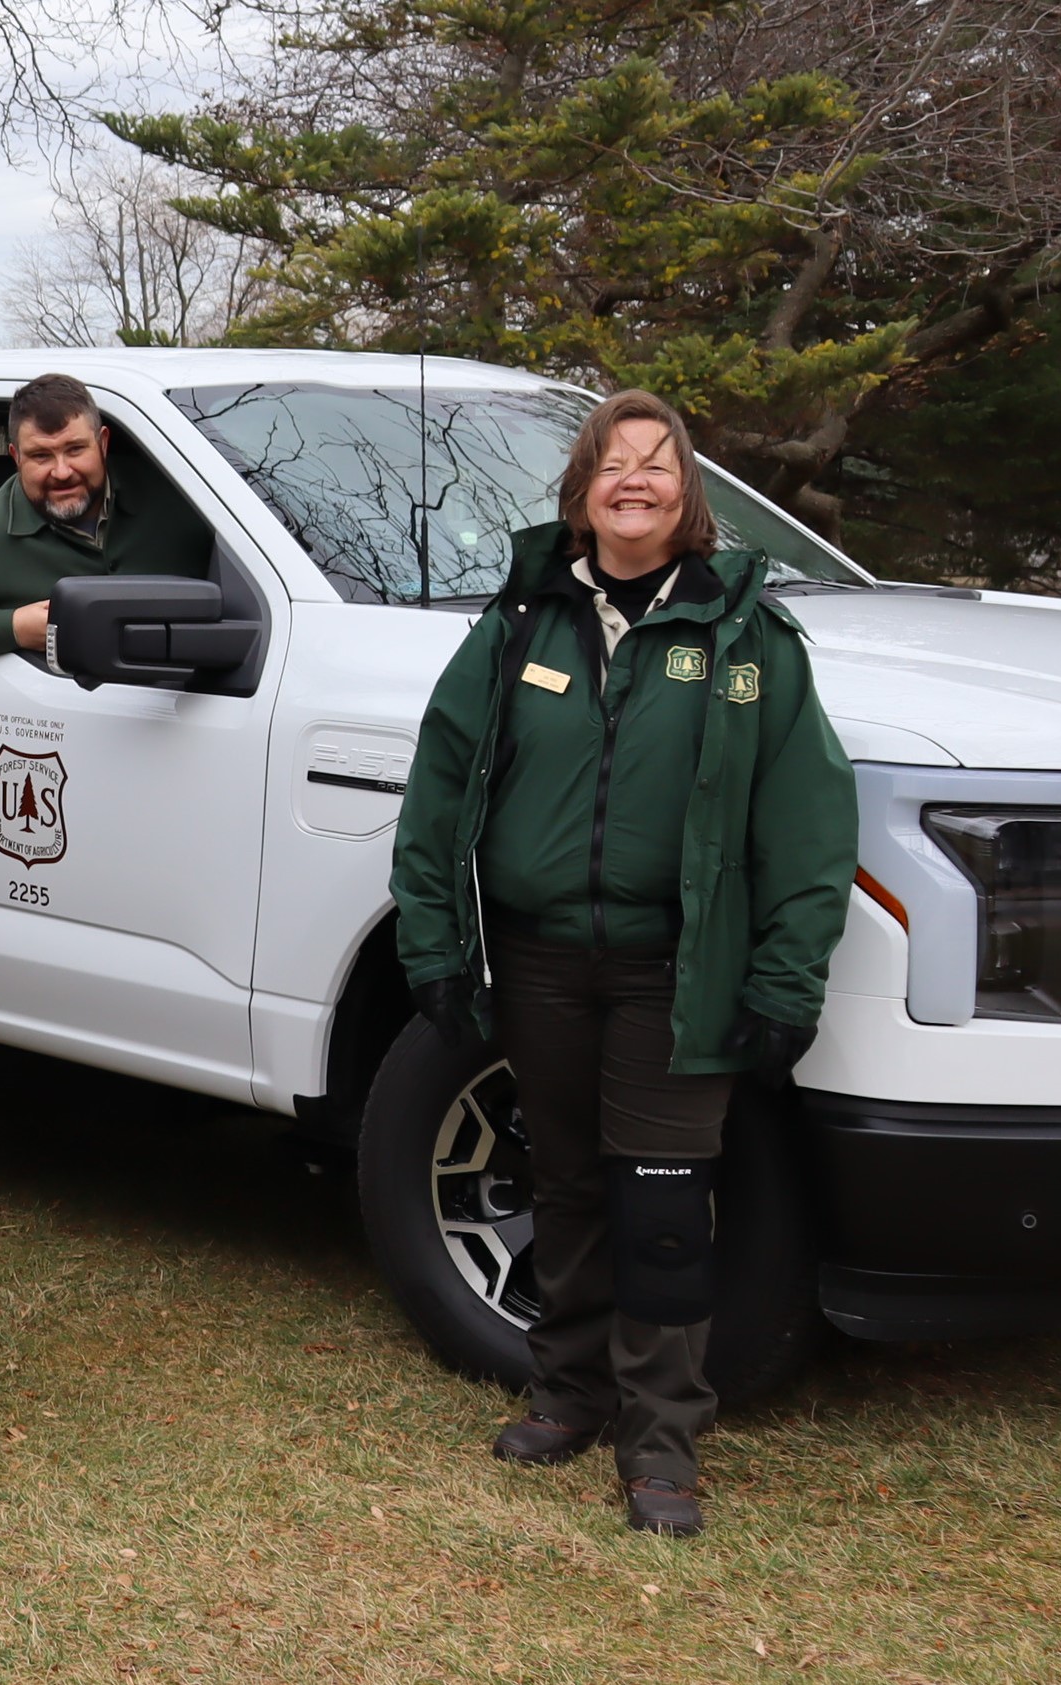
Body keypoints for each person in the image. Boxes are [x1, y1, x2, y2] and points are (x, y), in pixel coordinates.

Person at [386, 389, 855, 1539]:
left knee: (658, 1205)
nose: (632, 479)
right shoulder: (517, 624)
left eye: (655, 463)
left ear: (684, 492)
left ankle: (659, 1441)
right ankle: (568, 1392)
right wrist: (435, 944)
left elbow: (805, 821)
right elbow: (439, 786)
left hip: (672, 969)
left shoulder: (745, 639)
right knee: (565, 1183)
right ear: (580, 491)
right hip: (541, 961)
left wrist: (786, 977)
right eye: (611, 463)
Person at [0, 371, 217, 664]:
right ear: (16, 458)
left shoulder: (185, 499)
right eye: (41, 455)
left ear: (103, 444)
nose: (62, 471)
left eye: (75, 449)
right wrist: (12, 628)